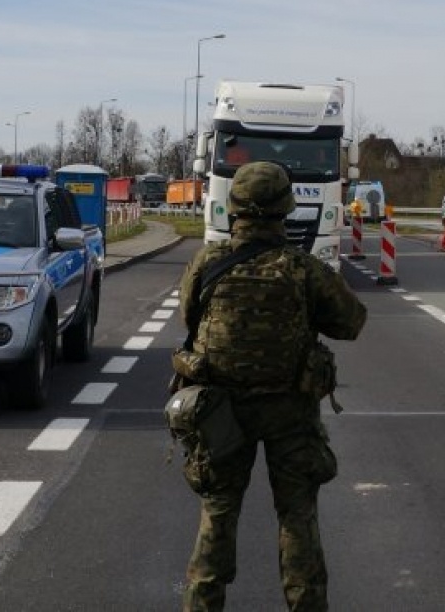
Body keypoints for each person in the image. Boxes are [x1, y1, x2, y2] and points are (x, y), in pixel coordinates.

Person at [172, 161, 367, 612]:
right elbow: (351, 322)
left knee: (218, 513)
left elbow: (189, 317)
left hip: (219, 409)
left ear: (233, 208)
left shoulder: (208, 262)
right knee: (298, 517)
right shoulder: (302, 269)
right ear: (286, 209)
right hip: (290, 412)